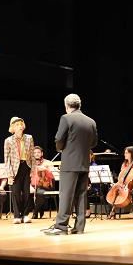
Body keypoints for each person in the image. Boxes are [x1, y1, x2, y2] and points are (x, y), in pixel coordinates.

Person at [44, 93, 98, 236]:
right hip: (84, 164)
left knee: (66, 194)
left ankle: (61, 226)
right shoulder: (91, 121)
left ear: (67, 106)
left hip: (69, 163)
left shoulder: (66, 118)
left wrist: (60, 147)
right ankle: (79, 227)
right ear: (80, 105)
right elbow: (94, 143)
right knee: (81, 195)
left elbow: (59, 138)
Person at [4, 117, 35, 224]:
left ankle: (25, 215)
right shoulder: (8, 140)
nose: (20, 126)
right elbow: (7, 158)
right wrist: (9, 174)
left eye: (21, 124)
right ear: (13, 127)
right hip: (14, 168)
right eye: (17, 125)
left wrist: (33, 169)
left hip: (26, 166)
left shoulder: (29, 138)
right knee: (16, 192)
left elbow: (32, 155)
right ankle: (17, 215)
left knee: (26, 192)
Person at [107, 146, 133, 219]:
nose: (125, 154)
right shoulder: (124, 165)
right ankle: (111, 212)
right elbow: (121, 179)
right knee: (111, 190)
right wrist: (116, 184)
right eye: (125, 153)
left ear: (132, 154)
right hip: (125, 187)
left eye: (126, 153)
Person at [29, 146, 55, 219]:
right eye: (35, 153)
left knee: (40, 193)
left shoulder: (48, 163)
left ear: (42, 154)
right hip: (33, 186)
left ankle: (35, 212)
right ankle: (38, 208)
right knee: (24, 193)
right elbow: (27, 177)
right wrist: (29, 186)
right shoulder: (30, 164)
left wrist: (46, 169)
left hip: (45, 186)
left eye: (38, 152)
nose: (36, 154)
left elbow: (53, 176)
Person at [86, 150, 98, 218]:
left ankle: (88, 210)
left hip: (93, 187)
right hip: (85, 186)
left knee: (84, 192)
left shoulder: (94, 166)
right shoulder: (83, 165)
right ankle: (80, 212)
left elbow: (95, 180)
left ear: (91, 156)